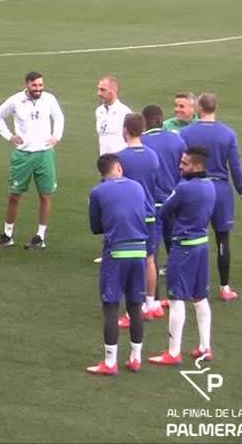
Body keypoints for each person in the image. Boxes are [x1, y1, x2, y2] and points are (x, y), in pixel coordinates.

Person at [149, 146, 216, 365]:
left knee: (177, 299)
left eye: (185, 163)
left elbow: (165, 210)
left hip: (183, 247)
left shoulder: (184, 188)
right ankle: (205, 347)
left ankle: (173, 352)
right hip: (202, 247)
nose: (180, 166)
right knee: (200, 297)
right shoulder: (210, 186)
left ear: (197, 166)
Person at [86, 153, 150, 375]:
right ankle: (135, 358)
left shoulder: (98, 191)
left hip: (116, 252)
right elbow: (147, 213)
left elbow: (95, 227)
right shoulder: (138, 187)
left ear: (102, 173)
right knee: (134, 306)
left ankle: (110, 362)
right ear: (119, 168)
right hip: (140, 250)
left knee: (111, 306)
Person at [178, 93, 242, 302]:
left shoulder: (187, 132)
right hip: (221, 189)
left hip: (195, 187)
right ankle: (224, 287)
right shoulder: (227, 133)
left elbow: (180, 162)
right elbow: (235, 165)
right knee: (222, 238)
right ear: (215, 108)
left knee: (192, 236)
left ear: (198, 109)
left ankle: (187, 285)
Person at [0, 71, 65, 250]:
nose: (38, 89)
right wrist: (9, 136)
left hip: (45, 154)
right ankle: (8, 234)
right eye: (34, 86)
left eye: (40, 85)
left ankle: (40, 236)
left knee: (45, 195)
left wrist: (56, 136)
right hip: (23, 154)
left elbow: (59, 117)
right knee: (14, 195)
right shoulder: (16, 100)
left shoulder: (49, 99)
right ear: (27, 85)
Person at [115, 114, 166, 329]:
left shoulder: (120, 158)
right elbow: (156, 183)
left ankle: (131, 311)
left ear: (125, 129)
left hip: (128, 215)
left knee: (129, 263)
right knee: (150, 259)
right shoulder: (153, 156)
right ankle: (150, 304)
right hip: (150, 212)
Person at [140, 105, 187, 276]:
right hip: (172, 198)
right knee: (172, 237)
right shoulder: (177, 140)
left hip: (149, 200)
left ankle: (150, 278)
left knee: (151, 243)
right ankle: (175, 271)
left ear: (144, 121)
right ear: (161, 120)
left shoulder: (141, 141)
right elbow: (184, 169)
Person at [95, 75, 132, 155]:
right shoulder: (99, 111)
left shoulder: (125, 112)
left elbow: (132, 140)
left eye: (103, 90)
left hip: (120, 161)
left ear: (113, 91)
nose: (98, 93)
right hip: (104, 161)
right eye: (98, 89)